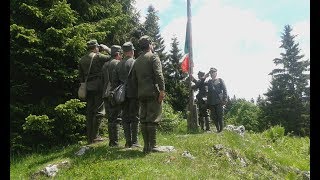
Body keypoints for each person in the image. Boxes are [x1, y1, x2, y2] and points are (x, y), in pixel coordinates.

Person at [132, 35, 165, 153]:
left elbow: (134, 79)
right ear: (150, 45)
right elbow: (159, 74)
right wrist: (162, 90)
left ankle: (146, 147)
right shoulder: (153, 56)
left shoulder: (137, 60)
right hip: (152, 92)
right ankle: (153, 146)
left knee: (144, 119)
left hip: (141, 93)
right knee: (152, 119)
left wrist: (138, 92)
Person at [78, 39, 111, 144]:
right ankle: (95, 136)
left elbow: (81, 77)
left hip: (87, 88)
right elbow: (113, 57)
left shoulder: (82, 60)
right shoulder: (98, 56)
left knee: (89, 112)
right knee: (99, 112)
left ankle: (90, 138)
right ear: (96, 47)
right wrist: (107, 49)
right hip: (98, 87)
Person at [113, 42, 140, 148]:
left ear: (123, 52)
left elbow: (114, 82)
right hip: (134, 94)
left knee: (125, 118)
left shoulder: (118, 64)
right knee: (135, 117)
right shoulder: (135, 62)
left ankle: (128, 142)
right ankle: (135, 142)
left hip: (122, 95)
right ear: (132, 51)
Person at [101, 45, 123, 147]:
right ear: (118, 54)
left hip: (105, 93)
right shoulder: (117, 63)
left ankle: (111, 142)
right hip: (114, 93)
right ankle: (115, 142)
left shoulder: (105, 64)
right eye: (120, 54)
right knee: (116, 118)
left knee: (110, 118)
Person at [206, 67, 228, 133]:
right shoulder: (209, 82)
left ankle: (221, 130)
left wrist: (225, 99)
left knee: (220, 116)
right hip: (211, 102)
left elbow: (225, 90)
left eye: (213, 72)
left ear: (216, 73)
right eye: (211, 72)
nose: (212, 73)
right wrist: (204, 76)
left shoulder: (220, 80)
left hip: (219, 101)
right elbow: (201, 84)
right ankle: (217, 128)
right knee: (213, 117)